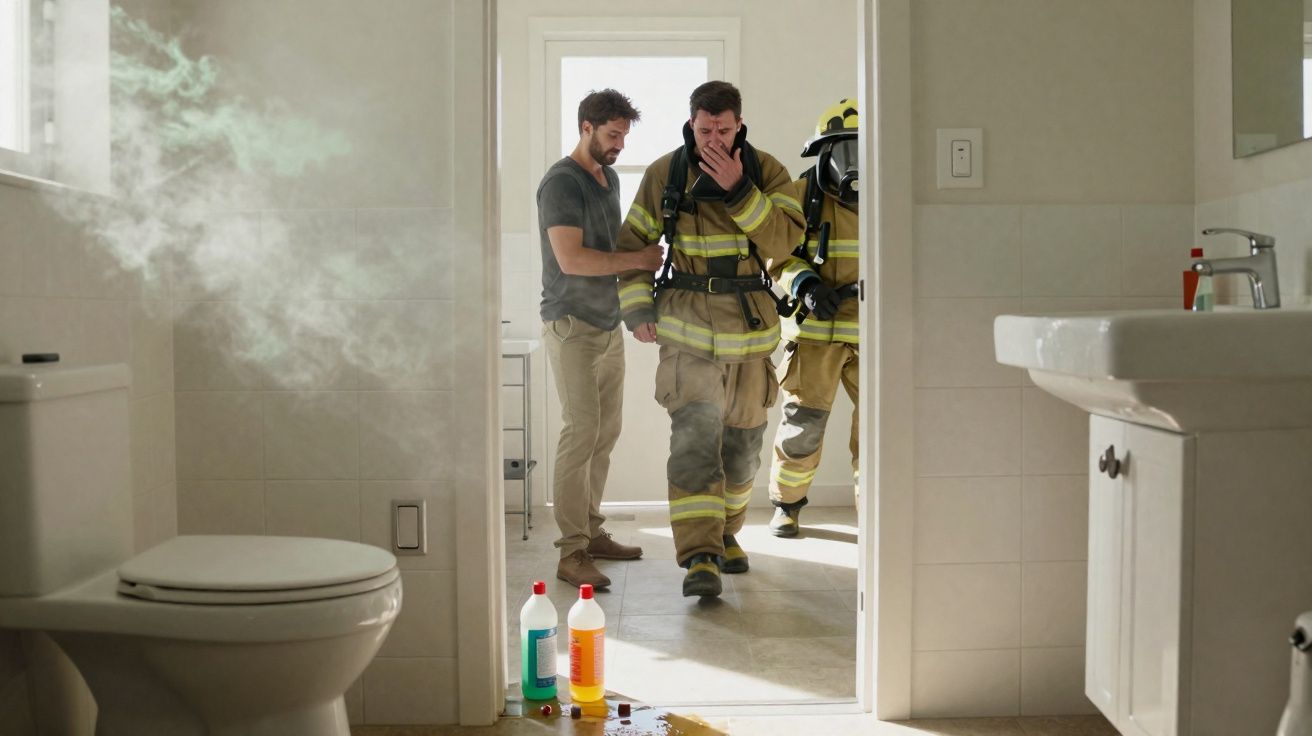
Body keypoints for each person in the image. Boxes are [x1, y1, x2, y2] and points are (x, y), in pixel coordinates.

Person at [615, 81, 805, 597]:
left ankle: (725, 535)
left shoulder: (766, 171)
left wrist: (741, 190)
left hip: (749, 335)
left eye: (724, 129)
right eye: (705, 130)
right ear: (691, 123)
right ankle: (700, 556)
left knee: (742, 451)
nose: (714, 139)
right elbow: (633, 245)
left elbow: (787, 241)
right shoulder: (666, 172)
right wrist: (636, 309)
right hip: (687, 331)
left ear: (739, 124)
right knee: (696, 440)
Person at [537, 89, 665, 589]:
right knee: (580, 432)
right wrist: (638, 261)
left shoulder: (607, 177)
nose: (619, 146)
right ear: (586, 127)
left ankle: (591, 534)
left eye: (624, 136)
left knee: (605, 433)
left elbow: (613, 244)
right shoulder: (561, 183)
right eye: (613, 135)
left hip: (607, 324)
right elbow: (572, 260)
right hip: (571, 325)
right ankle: (570, 553)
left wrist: (636, 304)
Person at [767, 98, 861, 537]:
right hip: (814, 334)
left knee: (882, 433)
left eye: (865, 150)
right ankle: (787, 506)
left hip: (875, 335)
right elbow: (774, 254)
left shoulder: (892, 196)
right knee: (802, 428)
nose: (855, 165)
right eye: (846, 151)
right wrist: (805, 283)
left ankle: (877, 515)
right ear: (824, 152)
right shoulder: (800, 197)